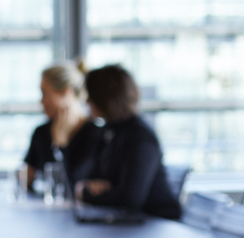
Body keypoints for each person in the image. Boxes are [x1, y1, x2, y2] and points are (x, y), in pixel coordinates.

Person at [74, 64, 182, 219]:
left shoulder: (141, 137)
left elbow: (130, 199)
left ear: (104, 98)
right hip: (128, 223)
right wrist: (87, 187)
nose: (87, 102)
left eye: (91, 96)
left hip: (156, 224)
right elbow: (86, 177)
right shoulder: (109, 131)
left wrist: (84, 195)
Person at [21, 61, 99, 193]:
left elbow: (71, 184)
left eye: (45, 93)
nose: (41, 101)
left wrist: (60, 144)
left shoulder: (96, 133)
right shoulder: (41, 132)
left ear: (66, 93)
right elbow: (26, 177)